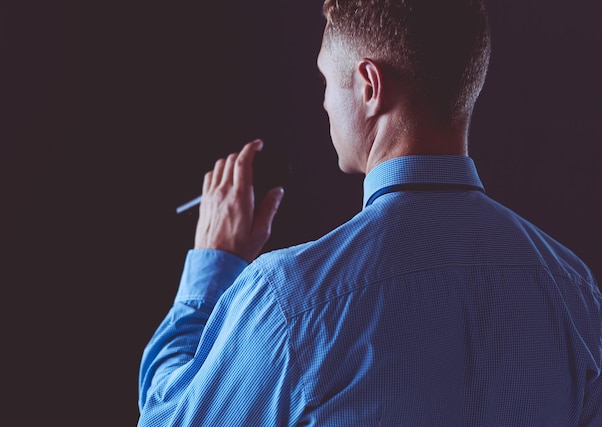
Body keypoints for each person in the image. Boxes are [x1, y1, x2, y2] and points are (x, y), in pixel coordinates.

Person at [138, 0, 601, 425]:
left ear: (369, 86)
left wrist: (214, 263)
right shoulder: (574, 292)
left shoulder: (291, 302)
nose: (322, 101)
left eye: (324, 80)